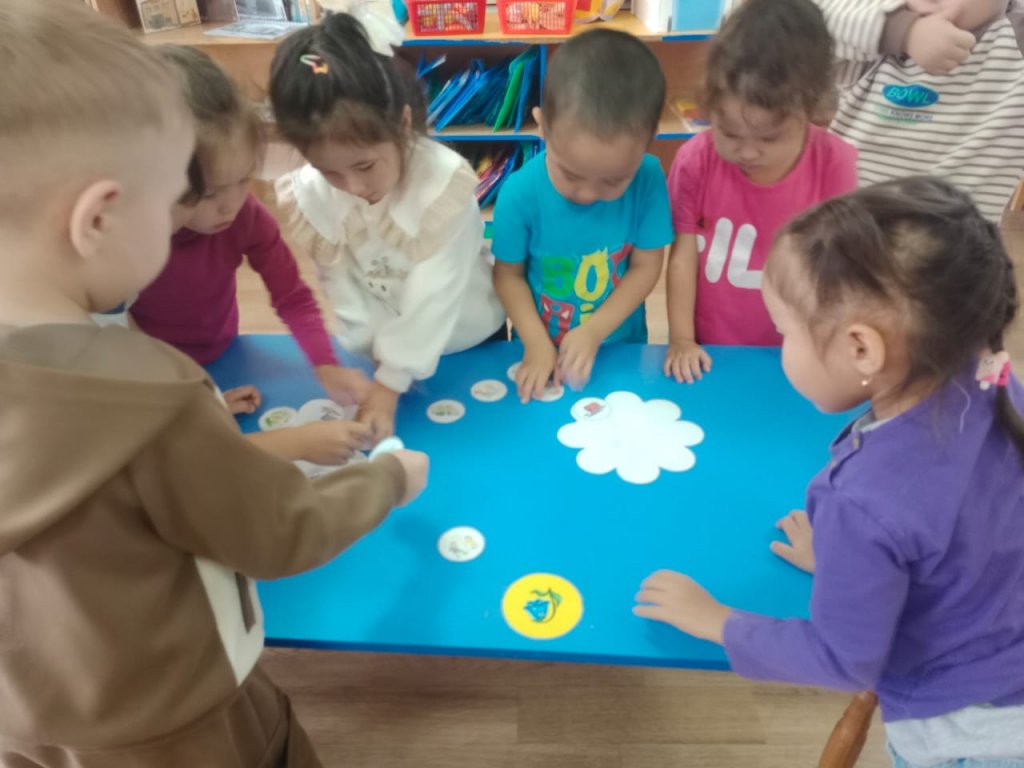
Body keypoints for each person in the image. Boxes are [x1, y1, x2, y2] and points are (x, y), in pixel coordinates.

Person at [0, 3, 428, 765]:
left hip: (30, 727)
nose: (194, 216)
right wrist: (387, 480)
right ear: (98, 218)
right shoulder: (153, 396)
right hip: (184, 724)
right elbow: (281, 528)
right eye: (175, 197)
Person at [635, 177, 1024, 768]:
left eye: (785, 333)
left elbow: (845, 660)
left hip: (965, 735)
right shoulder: (998, 380)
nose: (781, 347)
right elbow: (960, 537)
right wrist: (854, 569)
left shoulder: (863, 502)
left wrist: (718, 621)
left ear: (862, 350)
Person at [272, 11, 506, 439]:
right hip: (387, 360)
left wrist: (392, 379)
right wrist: (368, 348)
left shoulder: (441, 186)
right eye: (329, 171)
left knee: (483, 442)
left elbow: (435, 289)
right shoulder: (316, 192)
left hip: (470, 340)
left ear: (402, 124)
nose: (353, 187)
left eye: (364, 165)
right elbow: (339, 280)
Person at [663, 0, 858, 384]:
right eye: (730, 133)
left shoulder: (834, 164)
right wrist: (681, 339)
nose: (748, 152)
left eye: (769, 138)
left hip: (796, 351)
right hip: (710, 351)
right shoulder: (695, 160)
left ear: (810, 111)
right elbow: (683, 257)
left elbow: (837, 272)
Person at [492, 28, 673, 402]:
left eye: (613, 180)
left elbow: (646, 267)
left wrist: (594, 331)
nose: (589, 194)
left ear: (647, 142)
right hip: (538, 350)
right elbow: (508, 277)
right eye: (571, 175)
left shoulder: (649, 179)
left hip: (621, 349)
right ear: (543, 126)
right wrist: (536, 343)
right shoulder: (519, 194)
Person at [816, 0, 1024, 223]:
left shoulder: (1016, 41)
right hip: (844, 229)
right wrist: (903, 31)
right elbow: (806, 17)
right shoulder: (873, 30)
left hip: (956, 241)